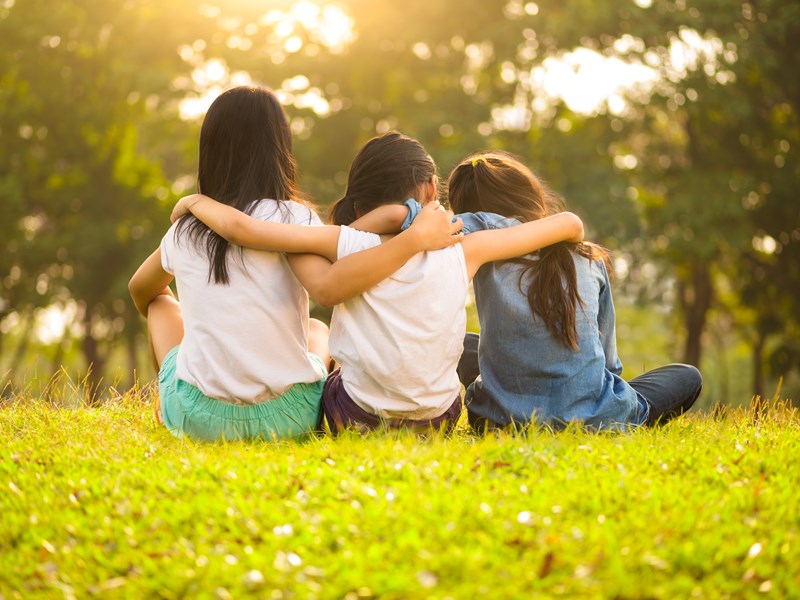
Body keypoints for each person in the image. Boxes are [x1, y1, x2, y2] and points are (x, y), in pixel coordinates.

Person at [172, 132, 584, 434]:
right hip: (437, 421)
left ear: (359, 202)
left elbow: (243, 230)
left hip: (356, 417)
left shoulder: (341, 242)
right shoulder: (467, 249)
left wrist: (194, 201)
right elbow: (569, 224)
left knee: (330, 362)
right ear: (430, 188)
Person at [128, 87, 462, 442]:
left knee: (161, 304)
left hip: (201, 420)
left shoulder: (187, 229)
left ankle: (170, 399)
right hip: (290, 417)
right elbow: (329, 277)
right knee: (317, 331)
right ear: (280, 150)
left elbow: (141, 290)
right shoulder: (297, 219)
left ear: (208, 151)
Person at [438, 151, 702, 431]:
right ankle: (617, 417)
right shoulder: (588, 257)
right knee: (686, 376)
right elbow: (610, 364)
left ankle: (517, 401)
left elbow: (452, 226)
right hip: (593, 416)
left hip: (500, 418)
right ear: (529, 194)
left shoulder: (480, 244)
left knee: (464, 344)